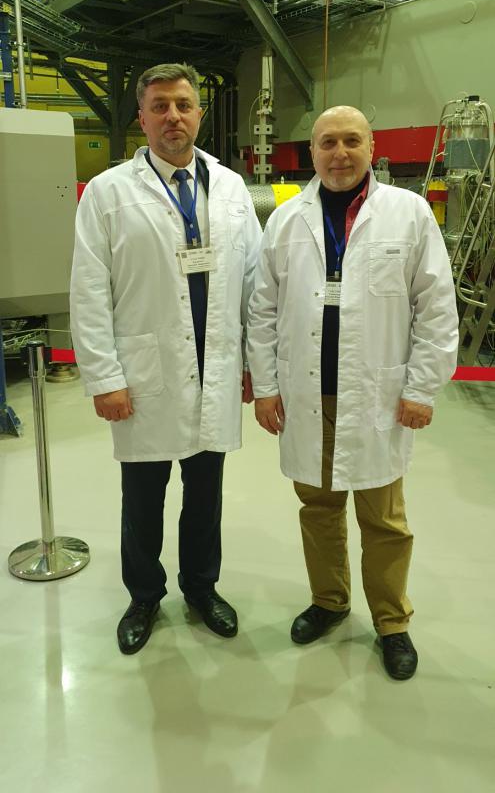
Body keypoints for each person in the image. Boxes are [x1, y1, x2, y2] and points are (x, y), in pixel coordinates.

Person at [247, 105, 458, 680]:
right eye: (327, 143)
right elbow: (262, 310)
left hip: (377, 394)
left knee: (384, 519)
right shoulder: (285, 221)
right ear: (312, 152)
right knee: (318, 509)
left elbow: (436, 307)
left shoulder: (409, 213)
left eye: (351, 141)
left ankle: (391, 621)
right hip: (307, 394)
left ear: (371, 149)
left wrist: (422, 388)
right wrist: (265, 387)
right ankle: (329, 601)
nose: (339, 153)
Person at [71, 63, 262, 654]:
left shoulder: (230, 187)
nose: (173, 117)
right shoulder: (107, 192)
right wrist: (104, 377)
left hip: (216, 367)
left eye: (183, 105)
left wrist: (255, 366)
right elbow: (89, 291)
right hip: (143, 376)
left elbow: (255, 282)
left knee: (205, 496)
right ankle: (144, 595)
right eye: (160, 107)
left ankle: (201, 588)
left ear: (199, 113)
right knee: (143, 498)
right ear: (142, 118)